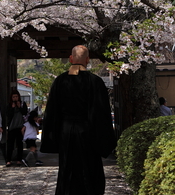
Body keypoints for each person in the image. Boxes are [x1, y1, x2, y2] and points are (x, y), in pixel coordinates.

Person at [40, 45, 117, 195]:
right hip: (88, 132)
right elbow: (102, 114)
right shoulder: (96, 82)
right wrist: (105, 141)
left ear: (70, 59)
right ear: (88, 60)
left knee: (67, 169)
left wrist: (52, 138)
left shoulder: (60, 82)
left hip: (66, 132)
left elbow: (51, 112)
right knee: (90, 169)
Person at [6, 90, 28, 167]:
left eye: (16, 96)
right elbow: (8, 115)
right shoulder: (9, 105)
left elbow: (25, 113)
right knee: (10, 144)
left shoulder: (22, 104)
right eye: (13, 97)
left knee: (20, 144)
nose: (15, 98)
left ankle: (19, 159)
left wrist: (19, 107)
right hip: (12, 127)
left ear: (18, 97)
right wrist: (12, 108)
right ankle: (8, 160)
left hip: (20, 127)